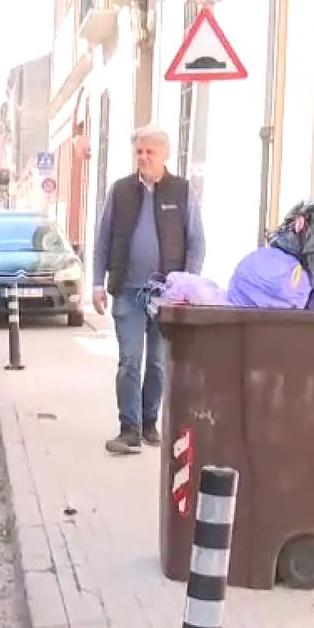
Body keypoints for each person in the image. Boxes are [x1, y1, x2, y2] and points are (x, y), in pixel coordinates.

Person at [90, 125, 205, 456]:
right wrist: (98, 282)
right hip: (127, 290)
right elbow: (103, 239)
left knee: (157, 363)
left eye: (149, 152)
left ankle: (149, 422)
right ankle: (129, 430)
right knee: (129, 360)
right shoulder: (121, 191)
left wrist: (188, 285)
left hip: (165, 295)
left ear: (164, 155)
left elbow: (196, 241)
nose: (142, 157)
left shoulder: (181, 192)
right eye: (139, 151)